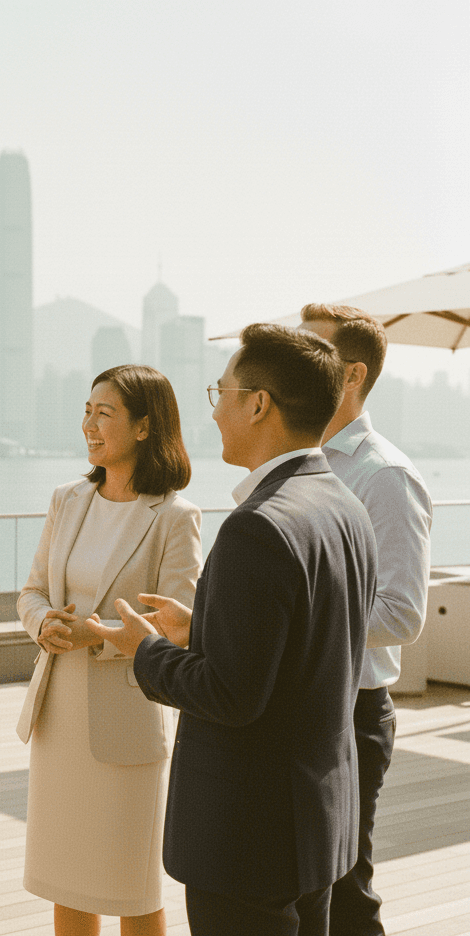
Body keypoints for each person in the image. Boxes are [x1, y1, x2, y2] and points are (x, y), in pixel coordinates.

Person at [87, 324, 378, 936]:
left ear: (258, 404)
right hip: (317, 824)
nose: (215, 411)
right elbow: (306, 647)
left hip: (249, 838)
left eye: (220, 392)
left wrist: (146, 650)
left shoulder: (258, 525)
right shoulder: (344, 505)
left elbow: (230, 693)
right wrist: (204, 629)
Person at [17, 365, 201, 936]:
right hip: (59, 717)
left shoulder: (175, 516)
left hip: (128, 719)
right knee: (66, 880)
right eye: (87, 411)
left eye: (105, 414)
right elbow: (31, 591)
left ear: (145, 426)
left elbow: (176, 626)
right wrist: (43, 623)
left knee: (132, 887)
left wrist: (93, 633)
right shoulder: (67, 499)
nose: (89, 425)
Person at [300, 303, 432, 936]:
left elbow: (402, 614)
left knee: (345, 892)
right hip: (298, 704)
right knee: (305, 889)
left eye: (310, 352)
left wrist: (295, 624)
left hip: (351, 713)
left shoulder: (386, 475)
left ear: (352, 375)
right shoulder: (299, 460)